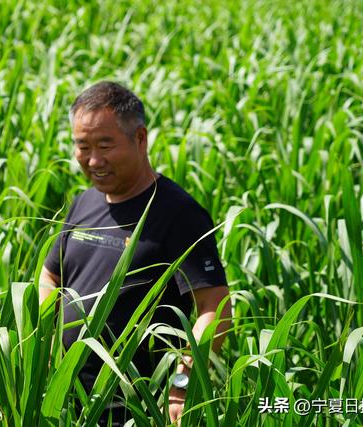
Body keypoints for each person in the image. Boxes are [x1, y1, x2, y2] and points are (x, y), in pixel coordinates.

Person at [39, 81, 231, 425]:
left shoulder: (178, 214)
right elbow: (50, 275)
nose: (93, 160)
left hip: (137, 411)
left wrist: (181, 385)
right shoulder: (84, 203)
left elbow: (214, 308)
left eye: (105, 145)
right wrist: (45, 347)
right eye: (83, 146)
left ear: (140, 139)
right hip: (67, 407)